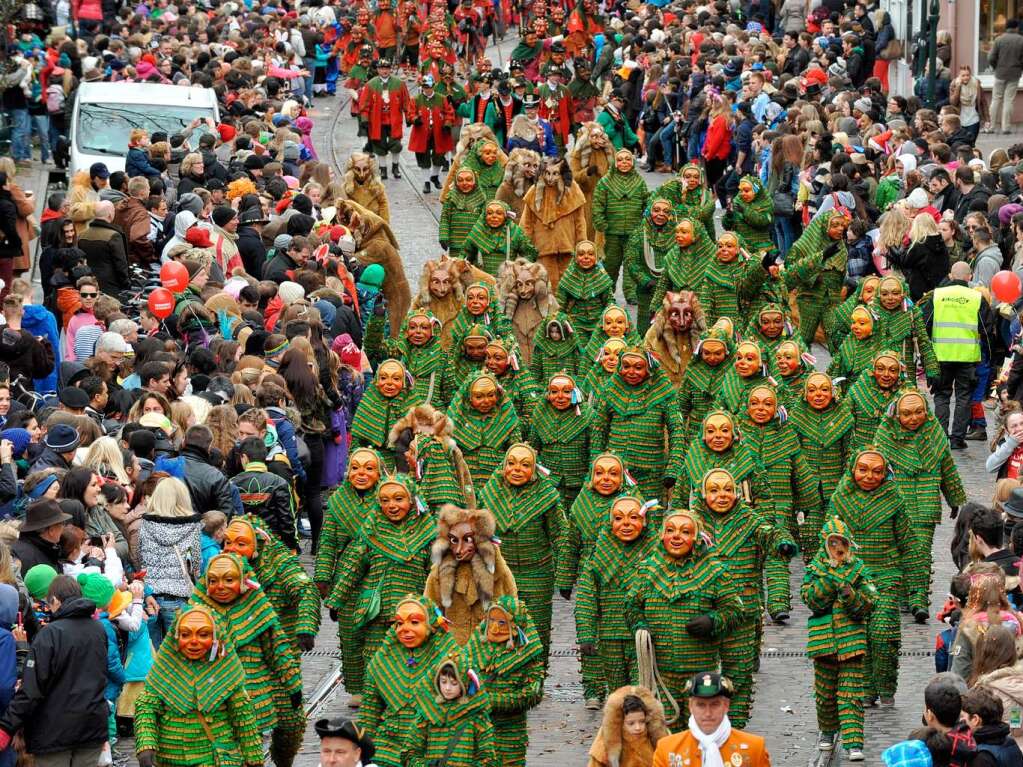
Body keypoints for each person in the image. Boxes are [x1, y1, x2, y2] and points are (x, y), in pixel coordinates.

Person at [0, 574, 109, 766]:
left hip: (53, 733)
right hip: (92, 727)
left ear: (56, 601)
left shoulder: (50, 634)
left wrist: (7, 727)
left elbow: (31, 689)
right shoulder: (98, 629)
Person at [924, 261, 996, 449]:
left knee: (941, 395)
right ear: (969, 277)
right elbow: (987, 331)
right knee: (964, 397)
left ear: (950, 275)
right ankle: (957, 439)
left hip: (941, 356)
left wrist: (925, 354)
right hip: (967, 358)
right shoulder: (976, 297)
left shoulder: (937, 296)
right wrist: (989, 357)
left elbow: (925, 325)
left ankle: (940, 437)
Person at [651, 672, 771, 767]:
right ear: (691, 706)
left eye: (714, 704)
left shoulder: (754, 748)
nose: (708, 713)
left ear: (726, 706)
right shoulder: (667, 749)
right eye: (701, 705)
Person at [586, 685, 671, 767]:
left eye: (642, 721)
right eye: (631, 723)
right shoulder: (604, 745)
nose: (638, 727)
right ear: (620, 722)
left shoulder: (655, 740)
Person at [988, 19, 1023, 135]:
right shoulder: (1021, 40)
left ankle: (992, 126)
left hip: (1000, 73)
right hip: (1014, 73)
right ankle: (1005, 127)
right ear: (1016, 28)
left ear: (1006, 27)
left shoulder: (999, 39)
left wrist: (996, 67)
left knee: (996, 99)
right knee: (1009, 100)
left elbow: (991, 57)